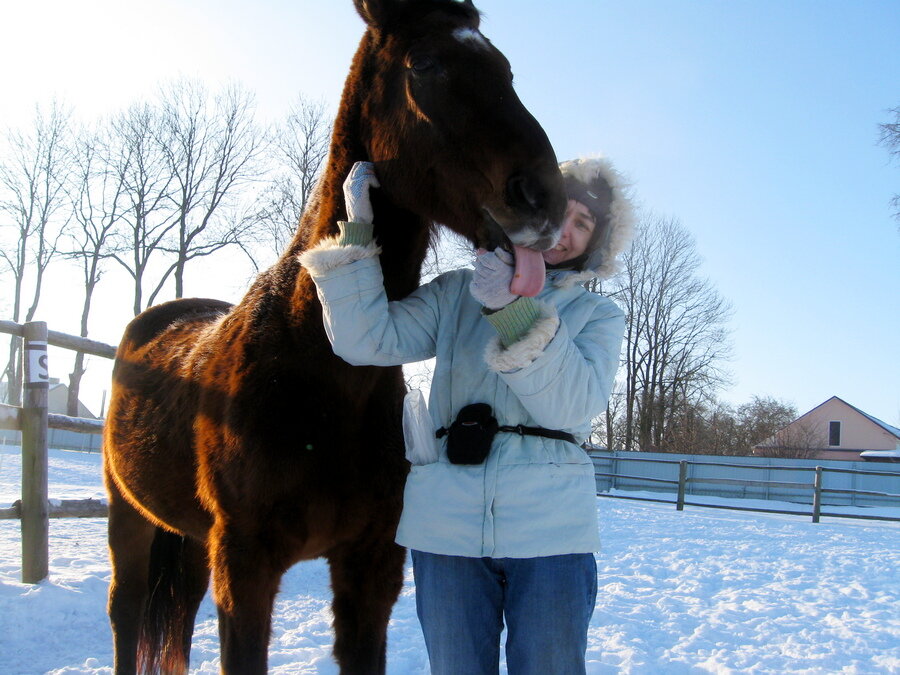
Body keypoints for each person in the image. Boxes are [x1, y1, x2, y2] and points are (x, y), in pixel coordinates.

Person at [299, 157, 633, 674]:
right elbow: (366, 340)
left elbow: (573, 404)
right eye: (557, 211)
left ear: (597, 243)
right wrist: (358, 231)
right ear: (532, 210)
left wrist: (511, 309)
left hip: (552, 533)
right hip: (446, 528)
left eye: (583, 223)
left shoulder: (598, 316)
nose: (564, 231)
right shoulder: (458, 290)